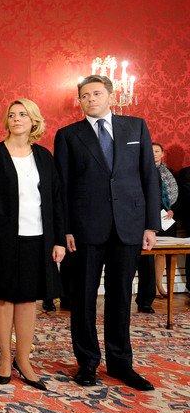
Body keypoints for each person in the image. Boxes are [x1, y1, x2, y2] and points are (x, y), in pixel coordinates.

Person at [54, 74, 161, 391]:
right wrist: (65, 230)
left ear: (111, 96)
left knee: (121, 297)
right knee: (83, 298)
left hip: (128, 226)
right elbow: (62, 188)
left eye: (96, 94)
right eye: (84, 95)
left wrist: (150, 225)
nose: (90, 99)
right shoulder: (68, 135)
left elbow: (148, 177)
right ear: (79, 101)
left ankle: (120, 363)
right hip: (85, 229)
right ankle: (87, 363)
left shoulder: (136, 127)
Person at [0, 99, 65, 391]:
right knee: (3, 299)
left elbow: (56, 200)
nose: (16, 119)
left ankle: (23, 360)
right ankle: (4, 358)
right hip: (2, 241)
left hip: (38, 238)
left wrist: (59, 239)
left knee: (27, 300)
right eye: (12, 114)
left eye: (23, 114)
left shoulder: (44, 157)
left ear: (34, 120)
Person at [133, 142, 178, 311]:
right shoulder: (133, 168)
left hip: (151, 220)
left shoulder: (155, 173)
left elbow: (155, 198)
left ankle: (146, 301)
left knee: (147, 261)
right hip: (132, 219)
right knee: (140, 261)